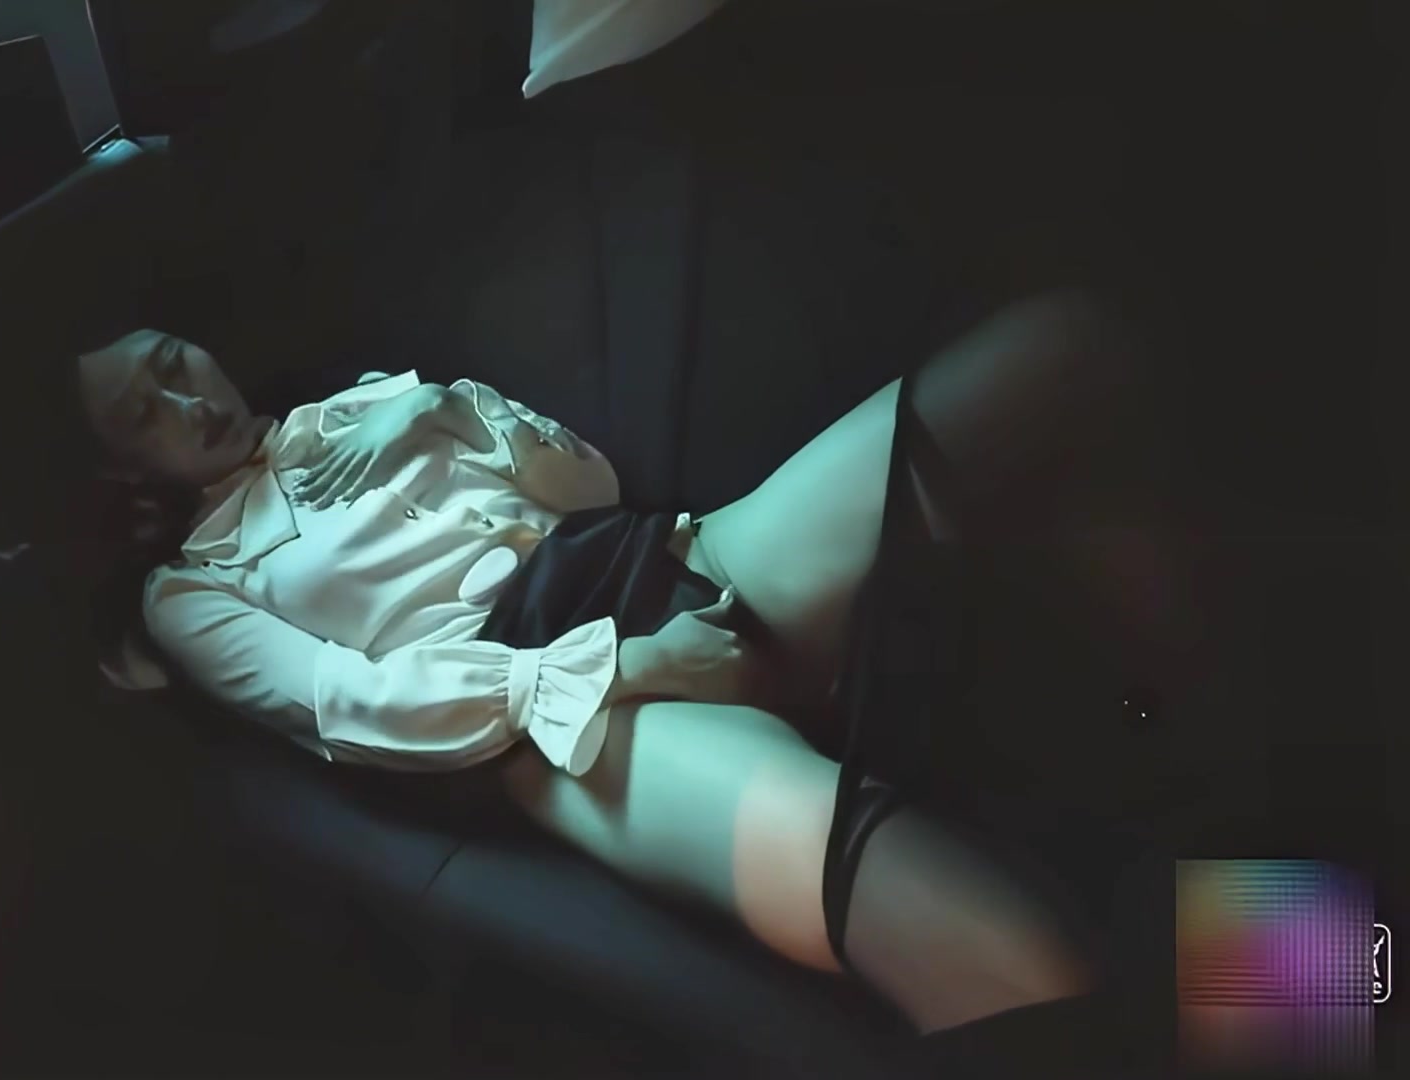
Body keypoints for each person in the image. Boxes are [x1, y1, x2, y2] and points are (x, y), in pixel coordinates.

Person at [67, 295, 1207, 1073]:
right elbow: (356, 708)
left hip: (671, 555)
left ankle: (1200, 761)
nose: (188, 403)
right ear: (122, 469)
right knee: (1000, 948)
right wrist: (625, 666)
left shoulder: (361, 403)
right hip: (562, 721)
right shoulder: (189, 589)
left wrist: (442, 407)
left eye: (175, 364)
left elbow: (587, 486)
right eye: (144, 414)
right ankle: (1293, 981)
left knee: (1062, 351)